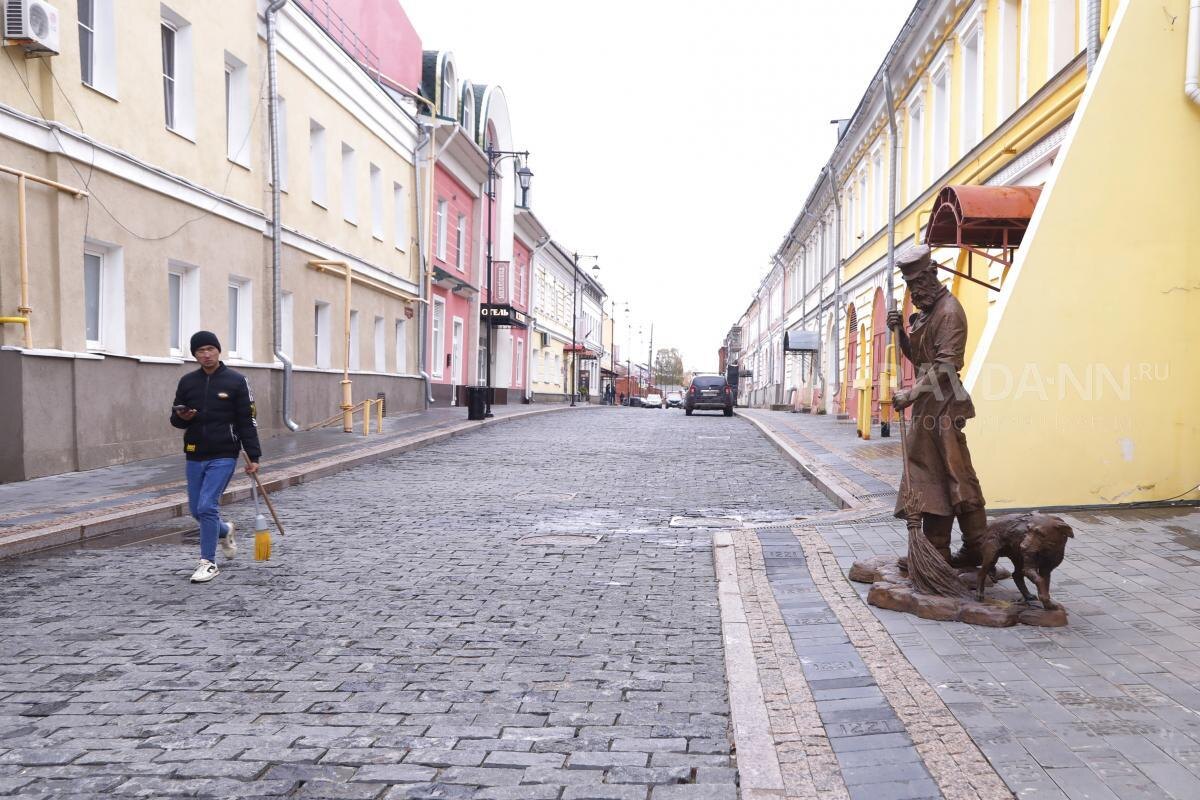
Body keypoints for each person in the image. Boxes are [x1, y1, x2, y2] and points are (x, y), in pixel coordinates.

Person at [887, 244, 987, 569]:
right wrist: (901, 331)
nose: (914, 293)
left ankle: (976, 549)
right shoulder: (928, 313)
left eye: (917, 285)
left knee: (954, 475)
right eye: (909, 286)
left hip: (944, 408)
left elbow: (945, 367)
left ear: (931, 276)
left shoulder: (950, 312)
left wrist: (910, 395)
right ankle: (936, 551)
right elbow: (919, 358)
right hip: (927, 408)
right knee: (930, 476)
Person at [170, 331, 262, 583]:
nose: (206, 354)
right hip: (194, 452)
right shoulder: (187, 382)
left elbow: (247, 420)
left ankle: (208, 562)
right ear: (195, 354)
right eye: (200, 350)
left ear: (219, 351)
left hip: (224, 452)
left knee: (207, 505)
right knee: (196, 510)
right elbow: (175, 419)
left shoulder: (236, 381)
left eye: (210, 348)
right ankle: (225, 530)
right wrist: (182, 416)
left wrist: (253, 455)